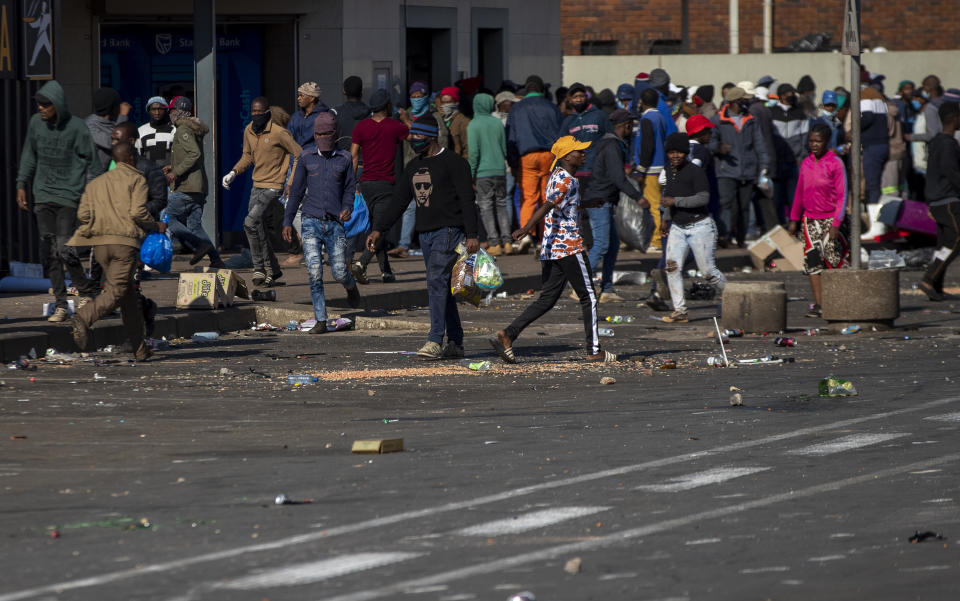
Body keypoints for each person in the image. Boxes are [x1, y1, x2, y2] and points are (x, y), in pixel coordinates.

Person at [489, 135, 616, 364]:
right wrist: (526, 228)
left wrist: (587, 204)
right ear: (567, 156)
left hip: (552, 248)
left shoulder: (557, 176)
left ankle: (508, 334)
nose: (583, 154)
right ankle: (594, 349)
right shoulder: (567, 180)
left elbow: (560, 205)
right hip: (569, 247)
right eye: (579, 151)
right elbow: (547, 205)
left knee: (546, 299)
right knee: (589, 297)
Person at [366, 115, 479, 359]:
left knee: (435, 282)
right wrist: (379, 229)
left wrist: (472, 234)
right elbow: (399, 201)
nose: (413, 140)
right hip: (425, 235)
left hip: (449, 231)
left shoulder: (454, 163)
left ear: (430, 136)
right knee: (443, 287)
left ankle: (435, 340)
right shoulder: (413, 166)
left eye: (417, 135)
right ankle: (456, 342)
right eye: (412, 135)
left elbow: (467, 200)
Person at [65, 142, 164, 361]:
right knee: (116, 291)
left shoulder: (96, 183)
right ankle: (83, 317)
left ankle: (140, 350)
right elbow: (138, 212)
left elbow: (83, 214)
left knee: (128, 299)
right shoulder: (136, 179)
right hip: (124, 244)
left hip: (100, 246)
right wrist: (156, 225)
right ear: (130, 159)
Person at [16, 80, 101, 322]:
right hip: (42, 194)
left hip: (68, 195)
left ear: (58, 105)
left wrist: (97, 195)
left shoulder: (76, 128)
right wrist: (21, 184)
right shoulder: (36, 124)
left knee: (64, 248)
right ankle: (61, 304)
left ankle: (85, 290)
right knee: (49, 252)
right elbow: (28, 155)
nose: (41, 108)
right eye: (39, 104)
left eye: (46, 104)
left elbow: (93, 162)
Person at [284, 112, 362, 330]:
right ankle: (320, 318)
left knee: (338, 271)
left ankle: (350, 285)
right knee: (315, 271)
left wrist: (347, 207)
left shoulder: (345, 159)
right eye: (319, 134)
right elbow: (297, 191)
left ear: (335, 133)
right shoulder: (306, 158)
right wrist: (287, 220)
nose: (323, 137)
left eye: (327, 133)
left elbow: (349, 189)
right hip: (311, 221)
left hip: (335, 224)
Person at [222, 96, 302, 287]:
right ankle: (273, 270)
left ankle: (259, 267)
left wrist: (290, 181)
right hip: (256, 185)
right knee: (258, 228)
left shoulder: (279, 132)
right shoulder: (249, 130)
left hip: (274, 186)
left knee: (250, 222)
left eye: (260, 112)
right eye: (253, 112)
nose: (256, 115)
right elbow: (247, 155)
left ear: (268, 113)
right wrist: (234, 172)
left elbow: (299, 154)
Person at [658, 132, 726, 324]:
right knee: (672, 267)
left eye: (678, 152)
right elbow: (668, 197)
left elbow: (703, 198)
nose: (675, 156)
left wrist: (676, 201)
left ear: (685, 152)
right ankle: (680, 310)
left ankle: (734, 295)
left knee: (708, 272)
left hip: (700, 226)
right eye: (671, 153)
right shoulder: (669, 171)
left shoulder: (695, 172)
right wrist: (665, 219)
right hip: (678, 227)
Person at [583, 109, 646, 302]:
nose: (631, 129)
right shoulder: (612, 146)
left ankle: (607, 289)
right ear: (625, 125)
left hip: (603, 199)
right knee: (601, 244)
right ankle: (580, 284)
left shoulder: (608, 143)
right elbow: (619, 178)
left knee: (612, 246)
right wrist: (638, 197)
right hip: (599, 200)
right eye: (631, 125)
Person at [787, 123, 849, 318]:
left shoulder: (835, 163)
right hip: (810, 219)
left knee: (834, 261)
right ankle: (819, 304)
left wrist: (836, 223)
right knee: (813, 262)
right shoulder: (806, 163)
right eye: (811, 141)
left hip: (830, 219)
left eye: (818, 141)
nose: (814, 145)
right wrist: (794, 219)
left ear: (826, 142)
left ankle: (839, 303)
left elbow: (842, 195)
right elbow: (799, 192)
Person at [350, 88, 409, 284]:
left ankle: (386, 272)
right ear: (387, 106)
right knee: (381, 229)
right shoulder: (395, 127)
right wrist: (406, 117)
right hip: (386, 185)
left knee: (376, 227)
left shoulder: (360, 127)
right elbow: (414, 135)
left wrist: (352, 182)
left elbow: (354, 155)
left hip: (365, 183)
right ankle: (362, 263)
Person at [162, 96, 224, 268]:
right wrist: (172, 166)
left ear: (179, 111)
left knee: (169, 219)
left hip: (187, 186)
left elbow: (194, 153)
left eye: (172, 110)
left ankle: (200, 244)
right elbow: (190, 155)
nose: (170, 114)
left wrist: (176, 172)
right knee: (195, 225)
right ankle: (216, 260)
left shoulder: (183, 129)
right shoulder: (190, 129)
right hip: (198, 187)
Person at [506, 75, 563, 253]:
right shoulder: (552, 107)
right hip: (550, 155)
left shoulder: (517, 109)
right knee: (548, 198)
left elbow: (511, 138)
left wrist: (513, 162)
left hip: (527, 156)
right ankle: (547, 235)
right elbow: (561, 134)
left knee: (528, 197)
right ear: (541, 89)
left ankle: (526, 235)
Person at [710, 86, 771, 247]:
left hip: (748, 171)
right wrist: (719, 148)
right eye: (742, 100)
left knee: (744, 207)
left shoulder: (751, 119)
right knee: (727, 205)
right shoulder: (718, 120)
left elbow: (759, 144)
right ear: (733, 102)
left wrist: (764, 167)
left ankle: (741, 238)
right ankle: (725, 236)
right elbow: (710, 142)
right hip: (726, 170)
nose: (746, 102)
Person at [917, 102, 960, 301]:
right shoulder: (948, 145)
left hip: (937, 201)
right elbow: (952, 173)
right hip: (948, 200)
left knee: (944, 244)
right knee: (956, 240)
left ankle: (936, 285)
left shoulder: (936, 142)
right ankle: (928, 278)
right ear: (953, 119)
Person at [468, 92, 511, 256]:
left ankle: (494, 243)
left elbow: (473, 154)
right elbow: (504, 148)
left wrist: (471, 174)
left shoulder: (473, 125)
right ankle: (507, 242)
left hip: (483, 172)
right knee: (501, 205)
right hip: (500, 170)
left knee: (486, 207)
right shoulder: (497, 123)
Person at [635, 87, 672, 252]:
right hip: (661, 166)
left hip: (651, 168)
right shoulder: (660, 117)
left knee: (654, 206)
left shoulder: (647, 119)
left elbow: (647, 145)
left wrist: (641, 168)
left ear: (641, 102)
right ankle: (661, 238)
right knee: (660, 204)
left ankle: (657, 241)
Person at [560, 82, 613, 197]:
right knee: (578, 210)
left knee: (597, 208)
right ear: (570, 100)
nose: (579, 99)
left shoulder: (599, 116)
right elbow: (560, 149)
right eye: (575, 97)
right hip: (576, 174)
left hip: (597, 172)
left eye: (581, 96)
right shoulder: (568, 122)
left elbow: (612, 140)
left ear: (587, 97)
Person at [770, 83, 811, 226]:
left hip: (794, 161)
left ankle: (795, 224)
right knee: (777, 198)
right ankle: (779, 225)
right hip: (777, 162)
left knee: (793, 196)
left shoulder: (800, 114)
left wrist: (801, 156)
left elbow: (804, 137)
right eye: (788, 94)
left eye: (792, 94)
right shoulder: (772, 112)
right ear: (781, 96)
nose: (791, 96)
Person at [856, 86, 891, 239]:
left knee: (872, 186)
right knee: (878, 186)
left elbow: (867, 118)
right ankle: (881, 225)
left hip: (873, 146)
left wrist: (854, 128)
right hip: (883, 144)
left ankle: (877, 227)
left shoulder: (865, 96)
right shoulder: (880, 99)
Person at [686, 115, 721, 234]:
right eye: (708, 131)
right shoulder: (702, 151)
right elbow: (694, 169)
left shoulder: (683, 149)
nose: (711, 134)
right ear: (700, 132)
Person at [905, 89, 942, 203]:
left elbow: (932, 134)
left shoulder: (929, 112)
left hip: (924, 161)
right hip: (917, 160)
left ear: (922, 99)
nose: (914, 100)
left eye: (916, 98)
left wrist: (912, 137)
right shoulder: (919, 114)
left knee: (925, 192)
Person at [85, 87, 132, 171]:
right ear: (112, 107)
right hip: (90, 179)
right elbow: (113, 143)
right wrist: (122, 116)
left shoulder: (110, 124)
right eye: (118, 104)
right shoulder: (90, 125)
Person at [288, 82, 333, 148]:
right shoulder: (296, 116)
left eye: (302, 95)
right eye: (298, 95)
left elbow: (326, 140)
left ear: (312, 98)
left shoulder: (325, 116)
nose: (298, 98)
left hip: (314, 157)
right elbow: (288, 138)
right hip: (295, 156)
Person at [333, 76, 370, 152]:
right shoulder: (372, 113)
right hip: (365, 160)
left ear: (344, 91)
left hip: (342, 160)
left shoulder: (335, 113)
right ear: (361, 91)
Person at [137, 96, 175, 167]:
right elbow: (138, 156)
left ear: (166, 110)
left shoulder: (174, 129)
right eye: (153, 109)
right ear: (148, 111)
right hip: (149, 175)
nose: (157, 112)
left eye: (160, 109)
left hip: (170, 175)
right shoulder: (141, 131)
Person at [438, 86, 470, 159]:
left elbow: (467, 148)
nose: (445, 105)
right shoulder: (441, 119)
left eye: (448, 102)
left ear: (456, 102)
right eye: (443, 102)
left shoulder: (464, 121)